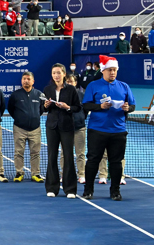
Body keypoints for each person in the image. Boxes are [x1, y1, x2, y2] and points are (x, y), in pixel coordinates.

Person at [81, 56, 136, 200]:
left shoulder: (124, 86)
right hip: (97, 130)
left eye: (115, 70)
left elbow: (132, 106)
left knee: (116, 162)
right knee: (93, 160)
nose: (113, 73)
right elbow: (86, 105)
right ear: (103, 70)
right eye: (110, 70)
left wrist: (127, 107)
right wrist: (100, 106)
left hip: (118, 131)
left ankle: (115, 191)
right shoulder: (93, 86)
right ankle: (88, 190)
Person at [41, 63, 79, 197]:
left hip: (67, 126)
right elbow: (42, 109)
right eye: (54, 73)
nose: (56, 75)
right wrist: (45, 106)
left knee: (68, 157)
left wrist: (67, 107)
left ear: (64, 74)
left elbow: (77, 108)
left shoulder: (71, 90)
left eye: (58, 73)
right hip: (52, 127)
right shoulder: (47, 89)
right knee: (52, 157)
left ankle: (70, 189)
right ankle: (52, 188)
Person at [7, 72, 45, 183]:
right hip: (19, 129)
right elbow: (10, 109)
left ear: (33, 81)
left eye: (28, 79)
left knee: (35, 153)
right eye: (24, 79)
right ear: (21, 81)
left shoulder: (39, 94)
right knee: (19, 152)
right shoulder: (15, 95)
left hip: (35, 129)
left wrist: (34, 118)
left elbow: (42, 109)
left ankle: (35, 174)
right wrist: (20, 119)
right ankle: (19, 173)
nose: (26, 81)